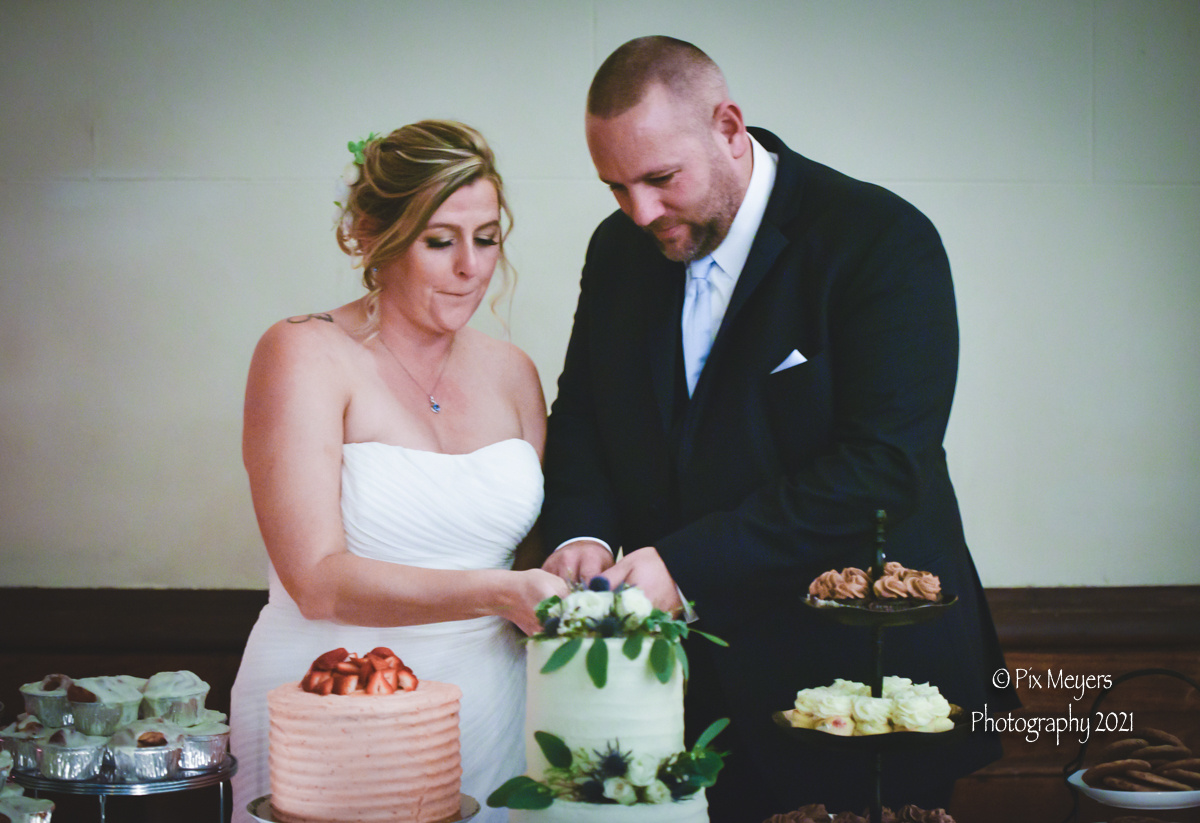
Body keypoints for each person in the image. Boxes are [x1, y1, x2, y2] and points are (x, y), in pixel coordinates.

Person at [541, 36, 1019, 819]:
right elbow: (586, 414)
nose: (640, 212)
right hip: (683, 698)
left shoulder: (880, 238)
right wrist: (580, 531)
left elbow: (884, 466)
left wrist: (684, 565)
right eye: (616, 187)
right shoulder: (618, 249)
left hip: (860, 686)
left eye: (660, 179)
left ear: (729, 128)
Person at [230, 120, 566, 823]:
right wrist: (500, 592)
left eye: (486, 238)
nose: (470, 267)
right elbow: (316, 580)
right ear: (371, 235)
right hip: (332, 700)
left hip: (491, 709)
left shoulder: (514, 373)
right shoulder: (303, 352)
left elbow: (531, 555)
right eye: (439, 241)